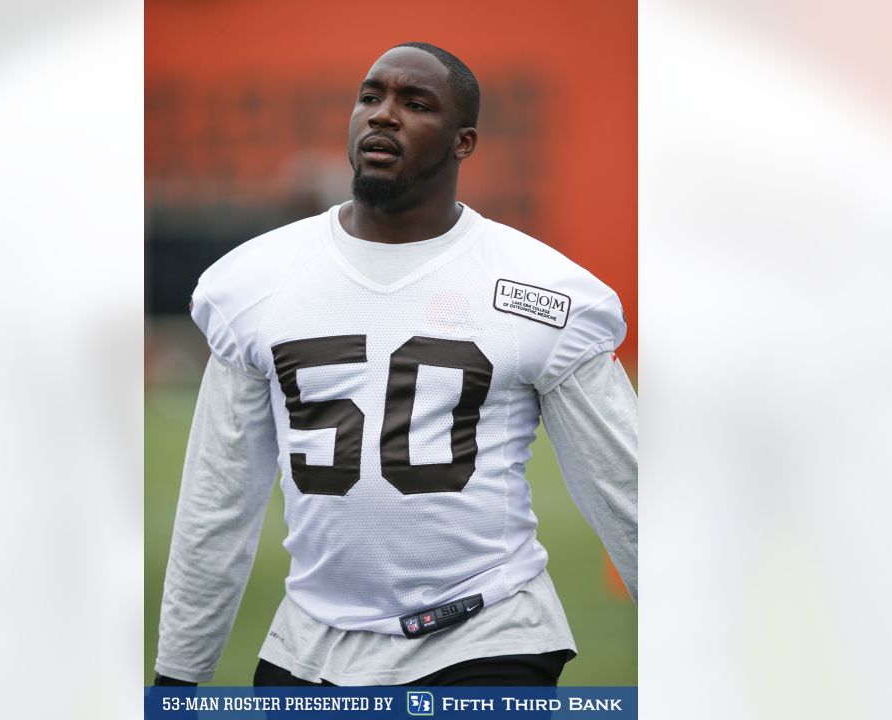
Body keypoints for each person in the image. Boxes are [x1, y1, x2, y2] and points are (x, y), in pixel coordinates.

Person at [155, 42, 636, 687]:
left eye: (415, 103)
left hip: (486, 632)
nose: (383, 115)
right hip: (312, 643)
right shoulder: (255, 282)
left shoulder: (542, 291)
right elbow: (217, 503)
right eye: (370, 96)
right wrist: (178, 676)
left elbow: (625, 487)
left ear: (464, 143)